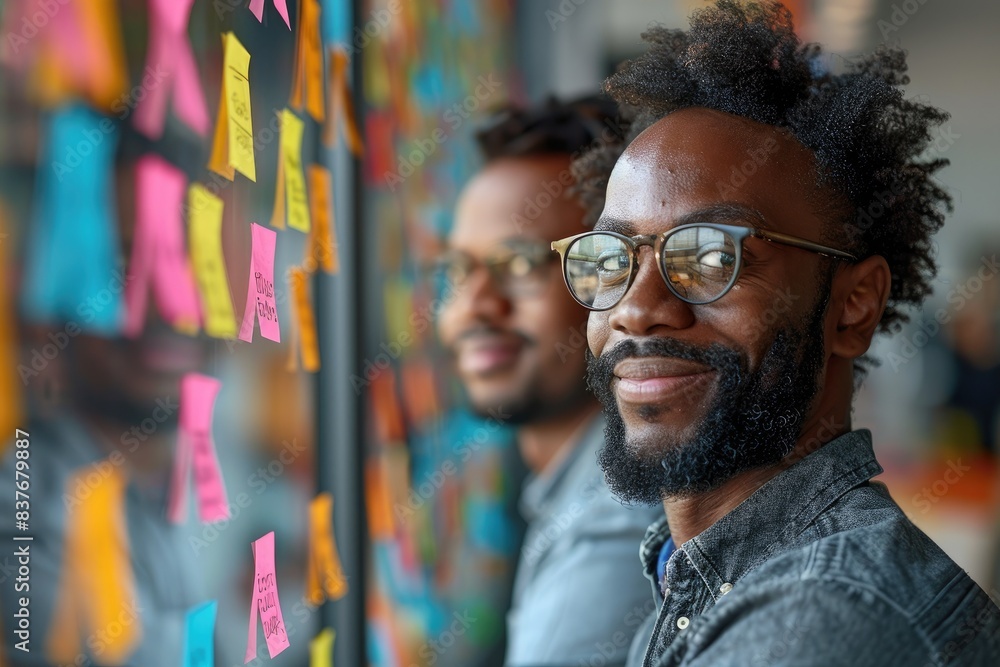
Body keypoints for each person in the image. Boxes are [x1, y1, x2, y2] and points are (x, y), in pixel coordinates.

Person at [550, 2, 1000, 665]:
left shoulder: (823, 621)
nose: (637, 309)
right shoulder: (693, 565)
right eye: (612, 259)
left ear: (854, 305)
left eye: (707, 257)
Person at [437, 97, 661, 666]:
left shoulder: (620, 518)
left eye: (519, 264)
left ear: (618, 284)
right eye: (460, 271)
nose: (474, 307)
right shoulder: (576, 486)